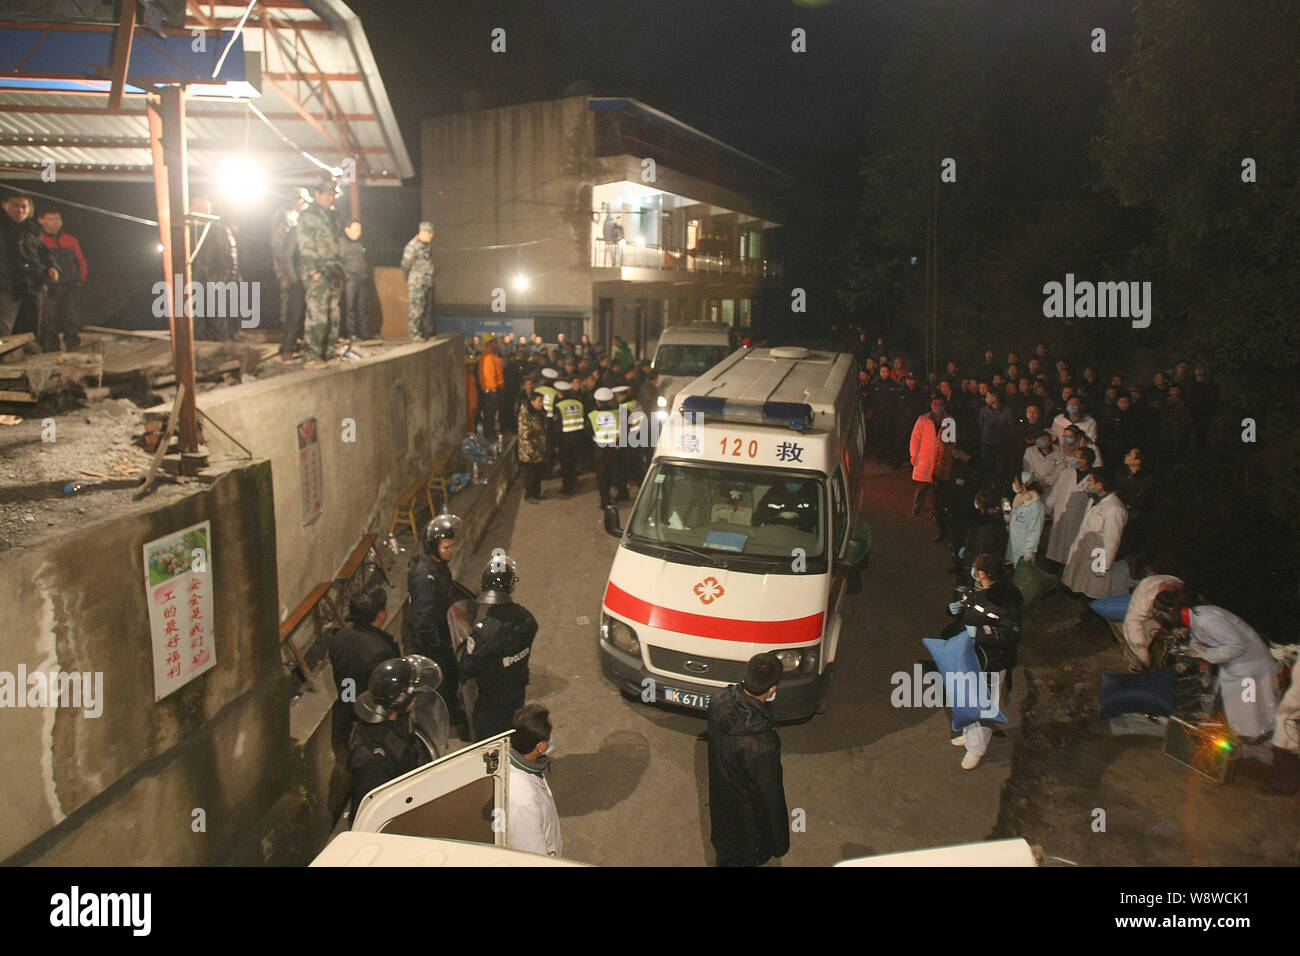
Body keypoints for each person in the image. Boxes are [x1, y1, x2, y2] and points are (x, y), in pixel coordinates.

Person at [1153, 591, 1281, 742]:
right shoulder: (1196, 617)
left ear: (1173, 610)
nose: (1164, 620)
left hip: (1250, 668)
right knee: (1242, 713)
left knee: (1251, 717)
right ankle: (1248, 739)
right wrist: (1191, 654)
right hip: (1237, 667)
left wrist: (1205, 654)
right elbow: (1201, 639)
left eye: (1163, 615)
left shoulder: (1207, 619)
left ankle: (1251, 747)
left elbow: (1237, 646)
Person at [706, 652, 790, 867]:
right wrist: (780, 843)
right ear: (772, 690)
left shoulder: (718, 701)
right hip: (748, 835)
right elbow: (770, 797)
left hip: (721, 815)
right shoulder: (761, 744)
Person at [946, 553, 1022, 769]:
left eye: (974, 567)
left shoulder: (1006, 600)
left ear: (983, 573)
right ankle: (969, 736)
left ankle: (977, 749)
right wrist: (953, 610)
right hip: (970, 657)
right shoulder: (976, 589)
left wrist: (979, 633)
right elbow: (967, 609)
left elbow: (1011, 633)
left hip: (992, 662)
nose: (971, 570)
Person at [348, 655, 445, 820]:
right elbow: (376, 811)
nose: (416, 699)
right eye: (414, 695)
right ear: (402, 702)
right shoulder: (372, 759)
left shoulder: (396, 720)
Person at [460, 549, 539, 741]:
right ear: (511, 587)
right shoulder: (527, 618)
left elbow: (467, 667)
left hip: (492, 703)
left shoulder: (485, 632)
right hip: (517, 693)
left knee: (489, 746)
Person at [407, 513, 474, 728]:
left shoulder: (438, 565)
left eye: (452, 546)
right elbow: (422, 617)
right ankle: (449, 718)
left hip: (443, 632)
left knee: (452, 677)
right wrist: (437, 643)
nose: (451, 551)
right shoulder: (424, 576)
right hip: (433, 640)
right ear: (433, 546)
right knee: (442, 683)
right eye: (446, 547)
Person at [327, 586, 399, 753]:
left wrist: (349, 705)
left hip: (343, 717)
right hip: (370, 726)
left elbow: (347, 682)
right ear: (381, 615)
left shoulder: (339, 639)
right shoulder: (381, 650)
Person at [297, 176, 344, 368]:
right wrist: (313, 270)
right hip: (317, 270)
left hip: (333, 270)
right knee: (317, 315)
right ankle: (312, 355)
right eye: (326, 194)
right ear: (317, 194)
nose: (329, 198)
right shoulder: (309, 215)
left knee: (333, 314)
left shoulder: (332, 215)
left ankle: (328, 352)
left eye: (332, 194)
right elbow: (305, 245)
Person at [1062, 467, 1129, 598]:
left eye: (1091, 481)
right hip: (1084, 553)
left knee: (1093, 593)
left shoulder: (1114, 508)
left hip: (1098, 558)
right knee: (1079, 587)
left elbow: (1112, 541)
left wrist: (1103, 567)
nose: (1088, 484)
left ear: (1100, 485)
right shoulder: (1094, 501)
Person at [506, 703, 562, 857]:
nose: (551, 740)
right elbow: (532, 853)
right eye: (549, 738)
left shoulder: (528, 766)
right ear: (540, 747)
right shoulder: (523, 800)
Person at [0, 194, 58, 341]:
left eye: (24, 206)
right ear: (4, 205)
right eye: (15, 205)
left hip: (32, 285)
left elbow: (44, 252)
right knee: (3, 328)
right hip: (6, 286)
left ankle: (27, 357)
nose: (20, 210)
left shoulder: (33, 229)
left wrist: (52, 267)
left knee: (31, 329)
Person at [35, 209, 86, 352]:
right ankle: (51, 351)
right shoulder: (38, 240)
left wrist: (80, 279)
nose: (55, 223)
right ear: (41, 220)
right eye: (51, 219)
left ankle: (73, 348)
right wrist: (42, 282)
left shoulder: (70, 240)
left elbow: (80, 260)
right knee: (49, 321)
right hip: (49, 289)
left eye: (57, 219)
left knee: (72, 319)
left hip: (71, 286)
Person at [274, 188, 310, 359]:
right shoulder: (287, 222)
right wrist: (291, 278)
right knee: (292, 312)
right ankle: (287, 347)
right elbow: (283, 253)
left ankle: (299, 343)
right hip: (294, 276)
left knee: (305, 313)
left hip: (306, 276)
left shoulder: (305, 227)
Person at [1044, 447, 1094, 566]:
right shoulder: (1066, 473)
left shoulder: (1092, 478)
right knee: (1055, 551)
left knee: (1071, 555)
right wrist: (1047, 509)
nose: (1074, 459)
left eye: (1077, 457)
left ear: (1085, 460)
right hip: (1061, 516)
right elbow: (1055, 493)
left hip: (1079, 518)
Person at [909, 397, 947, 516]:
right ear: (931, 405)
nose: (937, 406)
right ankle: (917, 505)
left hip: (940, 458)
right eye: (935, 404)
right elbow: (915, 438)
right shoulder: (923, 420)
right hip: (924, 457)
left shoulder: (949, 420)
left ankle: (937, 509)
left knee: (938, 487)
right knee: (922, 486)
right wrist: (914, 454)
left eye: (940, 404)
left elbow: (951, 441)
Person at [587, 387, 621, 508]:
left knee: (602, 476)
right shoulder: (617, 413)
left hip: (600, 450)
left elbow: (588, 431)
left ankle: (605, 501)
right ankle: (613, 496)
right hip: (614, 448)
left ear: (597, 401)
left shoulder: (592, 415)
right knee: (612, 473)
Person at [401, 221, 435, 341]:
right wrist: (409, 277)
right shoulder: (412, 246)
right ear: (422, 232)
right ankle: (414, 333)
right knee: (417, 308)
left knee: (426, 309)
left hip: (427, 281)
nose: (432, 236)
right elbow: (405, 265)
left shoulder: (427, 246)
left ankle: (425, 332)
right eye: (430, 233)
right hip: (417, 283)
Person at [1005, 472, 1045, 565]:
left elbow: (1035, 531)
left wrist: (1028, 553)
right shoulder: (1019, 503)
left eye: (1016, 483)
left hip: (1024, 555)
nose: (1014, 485)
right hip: (1013, 550)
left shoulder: (1036, 507)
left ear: (1025, 484)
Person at [517, 391, 550, 503]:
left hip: (539, 448)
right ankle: (529, 495)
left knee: (538, 472)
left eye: (542, 401)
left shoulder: (539, 412)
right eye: (539, 401)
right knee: (530, 474)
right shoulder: (526, 414)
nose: (541, 403)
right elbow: (524, 433)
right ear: (532, 401)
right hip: (530, 451)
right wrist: (529, 449)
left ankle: (536, 493)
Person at [340, 219, 369, 342]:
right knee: (350, 307)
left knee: (363, 307)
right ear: (347, 230)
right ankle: (351, 333)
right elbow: (340, 262)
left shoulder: (360, 244)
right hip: (350, 279)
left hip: (362, 278)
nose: (358, 232)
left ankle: (364, 333)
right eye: (355, 229)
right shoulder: (341, 243)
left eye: (360, 230)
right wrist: (345, 276)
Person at [554, 381, 585, 495]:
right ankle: (575, 482)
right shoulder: (578, 403)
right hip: (578, 437)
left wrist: (556, 444)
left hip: (565, 439)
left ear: (559, 393)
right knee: (574, 462)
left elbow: (557, 427)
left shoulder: (559, 406)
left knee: (566, 464)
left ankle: (568, 487)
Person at [478, 333, 506, 441]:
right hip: (491, 390)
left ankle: (490, 434)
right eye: (495, 342)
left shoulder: (491, 355)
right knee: (489, 414)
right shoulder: (488, 356)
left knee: (491, 414)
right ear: (490, 343)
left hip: (494, 389)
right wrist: (493, 390)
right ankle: (489, 436)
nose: (497, 344)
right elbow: (489, 375)